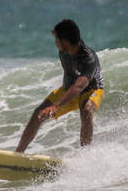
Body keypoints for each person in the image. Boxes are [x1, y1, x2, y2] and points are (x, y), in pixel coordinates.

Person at [16, 19, 104, 152]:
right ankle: (18, 154)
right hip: (68, 89)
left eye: (57, 39)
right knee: (38, 113)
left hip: (91, 89)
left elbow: (79, 86)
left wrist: (56, 105)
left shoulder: (88, 58)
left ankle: (85, 154)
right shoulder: (64, 51)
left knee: (86, 109)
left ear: (66, 42)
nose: (55, 42)